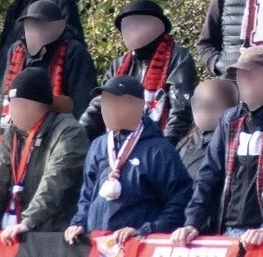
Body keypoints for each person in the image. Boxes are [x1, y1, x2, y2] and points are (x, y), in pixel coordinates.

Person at [172, 47, 263, 245]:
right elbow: (209, 175)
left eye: (250, 75)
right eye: (239, 75)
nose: (242, 81)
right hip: (227, 232)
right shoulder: (229, 119)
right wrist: (193, 222)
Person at [0, 68, 89, 243]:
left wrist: (29, 221)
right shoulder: (12, 133)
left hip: (52, 234)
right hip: (13, 229)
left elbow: (56, 182)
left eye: (19, 105)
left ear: (41, 106)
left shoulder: (69, 132)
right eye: (11, 104)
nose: (12, 111)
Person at [66, 76, 193, 247]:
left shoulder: (159, 150)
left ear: (137, 107)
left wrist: (147, 230)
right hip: (96, 247)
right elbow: (87, 194)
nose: (107, 110)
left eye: (116, 103)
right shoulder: (98, 145)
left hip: (136, 250)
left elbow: (180, 199)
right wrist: (79, 222)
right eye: (105, 103)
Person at [80, 0, 197, 146]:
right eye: (126, 27)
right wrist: (78, 136)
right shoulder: (119, 64)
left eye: (137, 24)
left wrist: (164, 146)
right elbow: (99, 106)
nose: (130, 31)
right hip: (118, 143)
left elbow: (181, 109)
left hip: (162, 142)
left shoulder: (178, 57)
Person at [0, 0, 97, 125]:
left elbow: (82, 102)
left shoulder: (73, 51)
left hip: (59, 128)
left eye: (41, 25)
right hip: (18, 126)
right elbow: (6, 96)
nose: (35, 31)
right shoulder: (17, 50)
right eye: (30, 26)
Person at [177, 79, 238, 180]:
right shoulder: (191, 137)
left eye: (212, 105)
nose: (202, 110)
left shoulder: (228, 146)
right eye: (198, 104)